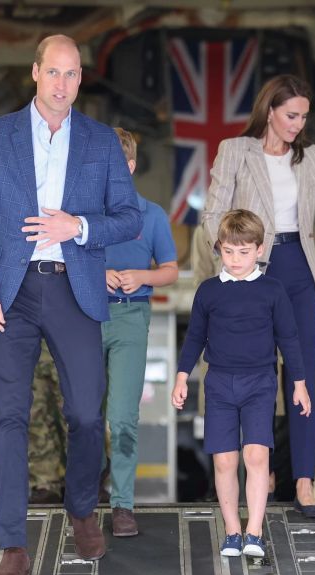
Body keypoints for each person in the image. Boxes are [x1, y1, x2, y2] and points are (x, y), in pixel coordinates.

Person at [0, 34, 141, 575]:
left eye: (72, 74)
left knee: (87, 414)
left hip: (74, 289)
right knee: (8, 417)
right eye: (54, 72)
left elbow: (128, 218)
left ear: (81, 79)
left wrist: (78, 227)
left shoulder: (101, 141)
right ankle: (12, 542)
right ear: (35, 73)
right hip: (11, 295)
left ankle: (82, 508)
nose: (63, 84)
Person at [202, 74, 315, 517]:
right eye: (291, 115)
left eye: (304, 117)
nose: (299, 124)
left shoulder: (310, 157)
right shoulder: (236, 151)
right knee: (253, 374)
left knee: (302, 378)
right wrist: (228, 262)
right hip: (253, 268)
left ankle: (303, 481)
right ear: (270, 110)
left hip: (298, 267)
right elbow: (214, 214)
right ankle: (259, 475)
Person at [172, 209, 311, 558]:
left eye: (244, 251)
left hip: (261, 383)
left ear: (259, 250)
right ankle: (232, 530)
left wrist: (299, 382)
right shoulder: (207, 291)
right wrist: (181, 377)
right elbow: (194, 338)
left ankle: (254, 531)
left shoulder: (273, 290)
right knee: (224, 461)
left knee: (256, 455)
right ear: (219, 248)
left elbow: (289, 338)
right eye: (229, 251)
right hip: (217, 384)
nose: (236, 259)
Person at [103, 127, 179, 536]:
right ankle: (80, 496)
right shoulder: (79, 215)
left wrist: (141, 275)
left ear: (130, 166)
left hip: (130, 317)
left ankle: (122, 504)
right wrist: (98, 275)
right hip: (82, 316)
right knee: (81, 415)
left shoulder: (151, 215)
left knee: (123, 417)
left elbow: (170, 270)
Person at [28, 341, 66, 504]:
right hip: (31, 344)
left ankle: (84, 482)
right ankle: (45, 483)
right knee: (34, 417)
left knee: (75, 417)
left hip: (66, 342)